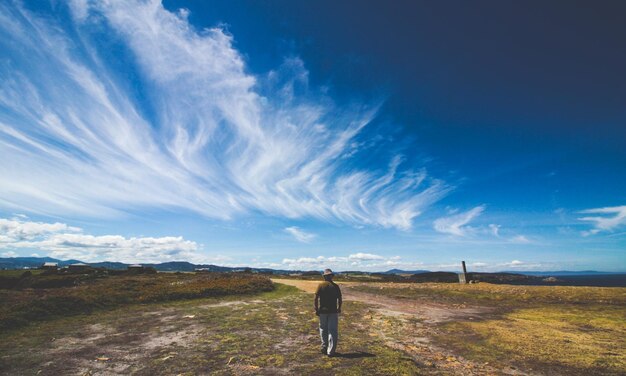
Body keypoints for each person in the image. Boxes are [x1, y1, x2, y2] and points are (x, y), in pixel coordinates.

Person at [314, 268, 342, 356]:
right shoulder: (336, 286)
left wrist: (316, 309)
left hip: (323, 311)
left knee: (323, 329)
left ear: (324, 276)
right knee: (332, 330)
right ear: (331, 276)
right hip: (333, 311)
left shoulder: (320, 285)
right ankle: (331, 351)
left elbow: (315, 298)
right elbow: (340, 299)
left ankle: (324, 346)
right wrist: (339, 308)